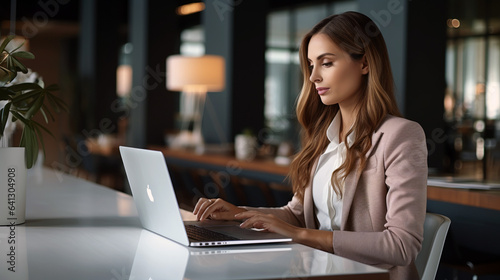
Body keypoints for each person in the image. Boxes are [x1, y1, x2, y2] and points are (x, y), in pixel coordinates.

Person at [193, 11, 427, 280]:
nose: (313, 76)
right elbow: (296, 214)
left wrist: (301, 235)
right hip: (315, 271)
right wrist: (238, 214)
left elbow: (402, 246)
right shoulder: (322, 137)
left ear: (364, 63)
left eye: (326, 63)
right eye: (310, 65)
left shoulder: (401, 135)